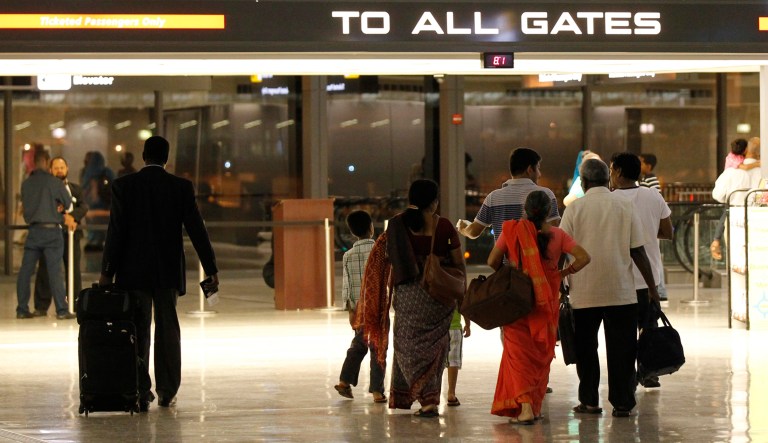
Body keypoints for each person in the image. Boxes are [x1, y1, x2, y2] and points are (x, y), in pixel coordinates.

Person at [99, 135, 219, 412]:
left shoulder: (124, 186)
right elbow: (196, 229)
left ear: (143, 156)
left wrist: (107, 272)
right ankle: (167, 391)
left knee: (137, 330)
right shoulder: (180, 187)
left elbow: (115, 233)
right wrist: (210, 268)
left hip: (132, 273)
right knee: (167, 330)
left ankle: (140, 390)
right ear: (167, 159)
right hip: (166, 272)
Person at [357, 179, 466, 418]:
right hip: (439, 297)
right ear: (434, 201)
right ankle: (430, 401)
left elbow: (386, 258)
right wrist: (461, 297)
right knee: (437, 348)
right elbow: (458, 262)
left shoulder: (397, 225)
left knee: (406, 346)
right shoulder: (445, 226)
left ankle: (419, 397)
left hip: (407, 296)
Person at [560, 158, 659, 418]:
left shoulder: (574, 210)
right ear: (607, 178)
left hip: (584, 292)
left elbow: (561, 250)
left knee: (586, 350)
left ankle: (590, 401)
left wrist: (558, 284)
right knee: (622, 350)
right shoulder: (625, 206)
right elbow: (638, 251)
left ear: (583, 182)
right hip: (621, 292)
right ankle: (623, 402)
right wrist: (652, 288)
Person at [487, 191, 591, 424]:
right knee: (539, 356)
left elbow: (492, 261)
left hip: (518, 303)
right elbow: (584, 257)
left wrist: (512, 275)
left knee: (518, 355)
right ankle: (533, 407)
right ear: (548, 212)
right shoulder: (558, 234)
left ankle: (524, 409)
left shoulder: (512, 231)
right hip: (546, 304)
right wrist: (561, 273)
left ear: (525, 209)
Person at [610, 153, 673, 388]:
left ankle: (626, 381)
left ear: (616, 171)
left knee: (623, 334)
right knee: (649, 328)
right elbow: (668, 232)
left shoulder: (610, 200)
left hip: (621, 278)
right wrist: (646, 232)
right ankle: (649, 373)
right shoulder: (653, 195)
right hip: (650, 279)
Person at [333, 210, 386, 404]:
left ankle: (344, 380)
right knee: (378, 348)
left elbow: (346, 287)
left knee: (359, 344)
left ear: (352, 232)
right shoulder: (380, 251)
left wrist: (350, 311)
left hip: (360, 309)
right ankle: (377, 391)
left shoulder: (348, 255)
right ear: (371, 228)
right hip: (378, 308)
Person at [16, 150, 75, 320]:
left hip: (33, 231)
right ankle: (62, 311)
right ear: (48, 163)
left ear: (33, 163)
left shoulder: (26, 184)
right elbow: (68, 203)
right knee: (54, 272)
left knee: (25, 271)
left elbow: (25, 210)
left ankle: (21, 309)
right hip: (52, 232)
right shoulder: (54, 182)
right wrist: (57, 206)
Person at [458, 147, 560, 242]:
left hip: (503, 260)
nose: (539, 174)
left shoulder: (493, 197)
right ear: (529, 169)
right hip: (536, 260)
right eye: (538, 168)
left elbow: (473, 232)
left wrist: (463, 227)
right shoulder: (546, 194)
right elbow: (554, 232)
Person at [33, 156, 89, 316]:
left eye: (62, 167)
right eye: (56, 167)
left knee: (73, 270)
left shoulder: (76, 188)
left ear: (67, 169)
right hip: (49, 235)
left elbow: (83, 206)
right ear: (50, 170)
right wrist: (64, 217)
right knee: (45, 269)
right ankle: (41, 306)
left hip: (72, 235)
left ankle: (75, 304)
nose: (59, 170)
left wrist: (72, 216)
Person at [710, 137, 762, 260]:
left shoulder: (731, 171)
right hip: (759, 216)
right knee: (758, 256)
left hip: (735, 215)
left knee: (737, 256)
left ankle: (716, 241)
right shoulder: (763, 171)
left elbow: (717, 195)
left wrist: (732, 199)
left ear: (746, 150)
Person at [82, 150, 115, 251]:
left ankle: (93, 245)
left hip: (91, 211)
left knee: (93, 234)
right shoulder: (107, 172)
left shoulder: (87, 173)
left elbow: (84, 192)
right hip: (106, 209)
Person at [444, 309, 471, 407]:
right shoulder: (458, 292)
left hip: (438, 328)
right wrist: (468, 325)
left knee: (437, 362)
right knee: (453, 361)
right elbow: (464, 307)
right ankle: (451, 393)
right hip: (455, 328)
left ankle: (432, 395)